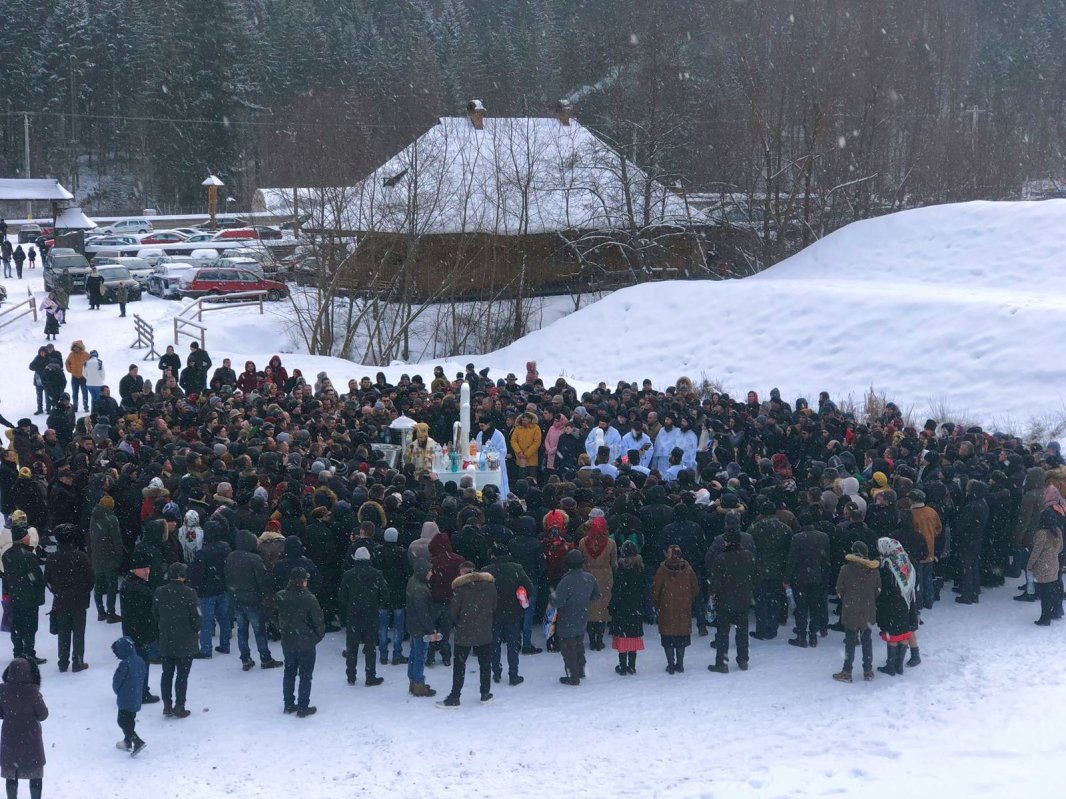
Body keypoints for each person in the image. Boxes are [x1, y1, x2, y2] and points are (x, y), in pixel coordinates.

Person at [437, 561, 496, 708]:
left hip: (465, 632)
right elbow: (494, 606)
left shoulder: (461, 588)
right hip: (484, 630)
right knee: (485, 664)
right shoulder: (490, 585)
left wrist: (460, 622)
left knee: (459, 666)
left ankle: (455, 697)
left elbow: (453, 612)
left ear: (463, 572)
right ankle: (485, 693)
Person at [224, 530, 283, 671]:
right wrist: (265, 594)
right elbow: (262, 580)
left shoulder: (231, 557)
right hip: (253, 600)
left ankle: (245, 658)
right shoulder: (255, 559)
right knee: (259, 631)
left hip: (236, 599)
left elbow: (227, 577)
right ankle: (265, 658)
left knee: (242, 630)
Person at [272, 567, 324, 717]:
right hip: (306, 643)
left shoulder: (280, 596)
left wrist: (281, 628)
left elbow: (273, 615)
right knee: (306, 675)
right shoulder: (309, 599)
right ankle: (303, 706)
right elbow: (318, 622)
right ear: (303, 581)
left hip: (288, 641)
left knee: (289, 673)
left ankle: (288, 704)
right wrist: (316, 637)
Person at [43, 524, 94, 672]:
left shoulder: (52, 559)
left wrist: (57, 592)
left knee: (63, 632)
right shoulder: (82, 557)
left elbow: (47, 580)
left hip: (61, 601)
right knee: (78, 632)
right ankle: (78, 661)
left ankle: (63, 662)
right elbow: (90, 580)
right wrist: (82, 592)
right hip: (79, 601)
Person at [483, 543, 532, 686]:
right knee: (513, 644)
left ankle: (496, 672)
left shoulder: (487, 571)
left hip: (494, 612)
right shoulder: (516, 568)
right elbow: (528, 587)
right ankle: (513, 674)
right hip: (513, 611)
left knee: (494, 643)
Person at [337, 548, 387, 687]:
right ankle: (370, 676)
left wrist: (350, 606)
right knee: (370, 646)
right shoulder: (376, 574)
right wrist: (377, 604)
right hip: (370, 615)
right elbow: (384, 593)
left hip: (353, 615)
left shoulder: (348, 575)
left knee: (352, 646)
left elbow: (342, 596)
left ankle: (351, 675)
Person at [833, 541, 881, 682]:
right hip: (868, 610)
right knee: (867, 640)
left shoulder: (845, 569)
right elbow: (877, 590)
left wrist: (847, 600)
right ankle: (868, 670)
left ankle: (847, 671)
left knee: (850, 641)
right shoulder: (874, 570)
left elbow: (839, 589)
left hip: (850, 610)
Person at [708, 528, 755, 673]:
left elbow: (715, 582)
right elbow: (756, 577)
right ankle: (743, 660)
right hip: (743, 599)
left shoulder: (721, 558)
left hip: (724, 600)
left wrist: (713, 594)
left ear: (726, 541)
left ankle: (721, 662)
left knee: (722, 633)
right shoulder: (749, 556)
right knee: (742, 631)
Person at [0, 658, 48, 799]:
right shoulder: (32, 691)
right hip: (31, 737)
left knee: (11, 775)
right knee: (35, 774)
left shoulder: (2, 690)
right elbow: (43, 715)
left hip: (9, 737)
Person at [553, 549, 600, 685]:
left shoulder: (565, 581)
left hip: (567, 617)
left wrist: (552, 597)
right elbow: (596, 595)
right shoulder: (589, 577)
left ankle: (573, 676)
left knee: (568, 648)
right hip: (582, 615)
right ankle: (580, 670)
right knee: (579, 644)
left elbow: (558, 602)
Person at [2, 524, 47, 664]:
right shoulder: (28, 556)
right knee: (30, 626)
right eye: (27, 535)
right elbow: (36, 578)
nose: (29, 537)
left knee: (17, 625)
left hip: (15, 596)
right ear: (23, 539)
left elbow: (7, 576)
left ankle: (18, 651)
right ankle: (29, 652)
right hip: (29, 597)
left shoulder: (7, 555)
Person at [120, 550, 160, 704]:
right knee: (141, 664)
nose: (147, 571)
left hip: (133, 631)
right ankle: (142, 693)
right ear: (134, 569)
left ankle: (136, 690)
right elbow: (147, 613)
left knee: (137, 664)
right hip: (140, 633)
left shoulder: (130, 584)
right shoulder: (138, 589)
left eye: (148, 568)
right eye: (143, 569)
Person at [786, 511, 830, 648]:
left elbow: (792, 559)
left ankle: (801, 636)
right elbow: (826, 559)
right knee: (815, 607)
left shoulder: (797, 538)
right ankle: (813, 636)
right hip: (817, 576)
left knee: (801, 608)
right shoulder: (823, 537)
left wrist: (787, 577)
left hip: (800, 577)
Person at [652, 545, 699, 674]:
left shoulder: (662, 570)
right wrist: (689, 599)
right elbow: (695, 588)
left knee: (668, 637)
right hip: (683, 608)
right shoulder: (688, 569)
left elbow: (656, 589)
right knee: (681, 636)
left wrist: (656, 603)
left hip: (666, 608)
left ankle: (671, 664)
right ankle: (680, 664)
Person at [875, 538, 918, 676]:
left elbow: (884, 587)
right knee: (904, 632)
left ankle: (891, 665)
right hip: (907, 602)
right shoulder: (905, 560)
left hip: (891, 605)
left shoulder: (887, 565)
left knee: (892, 634)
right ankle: (899, 665)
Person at [372, 527, 410, 665]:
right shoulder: (402, 553)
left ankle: (383, 654)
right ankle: (397, 653)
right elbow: (407, 573)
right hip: (398, 594)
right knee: (398, 626)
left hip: (382, 593)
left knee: (382, 625)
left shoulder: (377, 552)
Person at [608, 540, 645, 675]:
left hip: (622, 609)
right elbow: (643, 590)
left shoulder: (620, 570)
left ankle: (622, 666)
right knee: (633, 637)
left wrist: (612, 606)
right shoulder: (640, 569)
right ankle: (632, 666)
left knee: (623, 638)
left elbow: (616, 591)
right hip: (635, 608)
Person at [405, 559, 437, 698]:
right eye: (429, 570)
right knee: (419, 655)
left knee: (413, 654)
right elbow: (423, 614)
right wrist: (431, 629)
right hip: (420, 628)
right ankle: (419, 684)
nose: (431, 573)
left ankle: (413, 681)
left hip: (412, 625)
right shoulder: (421, 590)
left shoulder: (413, 582)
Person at [90, 496, 125, 623]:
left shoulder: (94, 518)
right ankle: (111, 613)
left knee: (98, 586)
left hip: (96, 557)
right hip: (109, 558)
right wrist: (119, 557)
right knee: (112, 586)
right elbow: (117, 541)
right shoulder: (112, 519)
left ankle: (101, 612)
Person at [111, 637, 147, 756]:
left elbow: (117, 681)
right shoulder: (140, 661)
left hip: (125, 697)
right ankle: (127, 741)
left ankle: (136, 741)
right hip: (136, 695)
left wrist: (118, 691)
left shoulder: (124, 664)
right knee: (130, 719)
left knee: (122, 721)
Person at [1028, 508, 1064, 626]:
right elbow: (1060, 549)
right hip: (1054, 565)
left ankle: (1045, 617)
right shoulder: (1058, 531)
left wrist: (1029, 566)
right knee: (1051, 591)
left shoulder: (1041, 534)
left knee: (1044, 594)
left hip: (1043, 567)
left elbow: (1035, 552)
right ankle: (1055, 611)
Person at [65, 340, 90, 414]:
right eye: (74, 347)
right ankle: (75, 407)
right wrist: (70, 370)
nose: (76, 348)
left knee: (84, 392)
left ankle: (86, 407)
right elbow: (67, 362)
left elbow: (90, 364)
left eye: (77, 347)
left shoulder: (86, 354)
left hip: (83, 377)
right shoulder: (71, 354)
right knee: (75, 393)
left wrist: (87, 372)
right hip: (74, 376)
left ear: (80, 347)